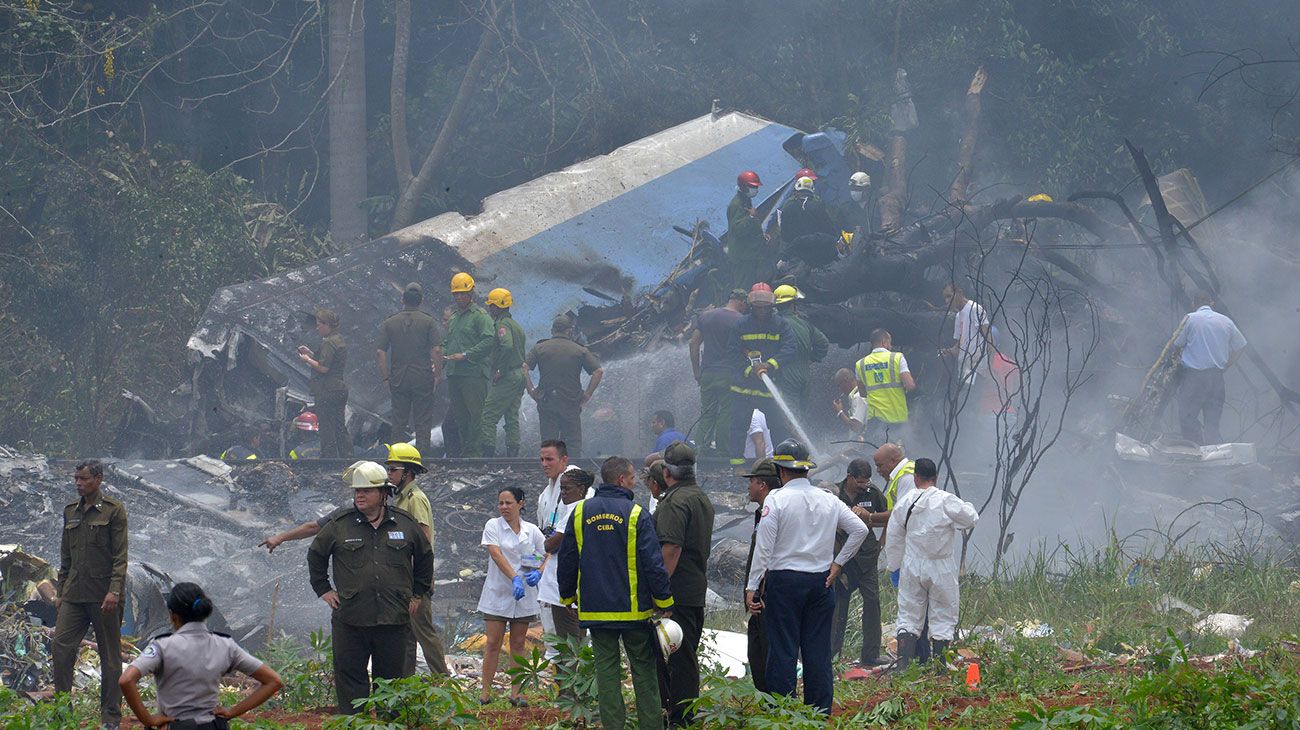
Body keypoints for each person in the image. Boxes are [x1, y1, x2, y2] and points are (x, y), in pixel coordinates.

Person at [746, 440, 868, 714]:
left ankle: (784, 713)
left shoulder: (776, 500)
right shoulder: (828, 499)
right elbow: (859, 530)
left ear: (781, 471)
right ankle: (818, 713)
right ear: (806, 470)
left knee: (783, 651)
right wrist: (837, 565)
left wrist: (752, 587)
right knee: (817, 652)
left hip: (784, 583)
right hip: (821, 583)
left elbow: (764, 548)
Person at [558, 456, 674, 730]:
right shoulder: (635, 514)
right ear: (621, 479)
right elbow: (653, 562)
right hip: (634, 611)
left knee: (606, 674)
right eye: (633, 477)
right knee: (644, 671)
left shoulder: (580, 513)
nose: (635, 482)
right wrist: (664, 601)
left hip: (597, 611)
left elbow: (567, 558)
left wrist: (567, 596)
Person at [307, 461, 433, 714]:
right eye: (357, 491)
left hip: (393, 619)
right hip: (351, 618)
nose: (360, 496)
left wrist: (418, 593)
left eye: (366, 491)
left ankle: (389, 724)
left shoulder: (405, 524)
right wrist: (324, 589)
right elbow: (315, 555)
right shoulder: (339, 524)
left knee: (391, 684)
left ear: (384, 494)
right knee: (351, 680)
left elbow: (425, 557)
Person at [120, 582, 283, 729]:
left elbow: (126, 680)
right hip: (213, 726)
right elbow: (273, 681)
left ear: (173, 615)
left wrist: (148, 720)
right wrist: (232, 712)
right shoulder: (225, 645)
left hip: (177, 726)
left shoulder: (162, 646)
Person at [52, 460, 128, 729]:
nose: (78, 483)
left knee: (110, 657)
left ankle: (110, 717)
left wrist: (114, 591)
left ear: (98, 479)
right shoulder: (70, 511)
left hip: (103, 595)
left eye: (83, 479)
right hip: (74, 593)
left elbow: (120, 557)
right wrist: (60, 591)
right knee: (61, 648)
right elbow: (65, 556)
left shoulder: (113, 510)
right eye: (76, 478)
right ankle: (62, 712)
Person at [884, 458, 979, 670]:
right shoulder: (946, 500)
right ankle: (940, 665)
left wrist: (894, 567)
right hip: (941, 566)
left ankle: (903, 666)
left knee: (908, 614)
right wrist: (967, 506)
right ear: (936, 477)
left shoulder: (905, 501)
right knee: (943, 614)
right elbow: (970, 519)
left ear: (915, 477)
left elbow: (894, 536)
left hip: (912, 565)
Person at [652, 442, 715, 727]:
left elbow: (671, 550)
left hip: (676, 591)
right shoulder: (699, 496)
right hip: (693, 587)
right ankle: (681, 713)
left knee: (679, 657)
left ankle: (681, 718)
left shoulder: (675, 502)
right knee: (684, 654)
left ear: (667, 473)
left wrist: (660, 593)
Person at [477, 486, 546, 706]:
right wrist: (514, 577)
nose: (504, 507)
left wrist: (538, 572)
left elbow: (547, 553)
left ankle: (516, 693)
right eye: (501, 503)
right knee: (493, 643)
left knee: (518, 644)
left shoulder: (532, 530)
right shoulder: (493, 526)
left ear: (521, 503)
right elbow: (496, 554)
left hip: (524, 595)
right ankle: (485, 693)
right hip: (498, 592)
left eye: (509, 503)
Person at [385, 444, 450, 676]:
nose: (389, 474)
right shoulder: (401, 498)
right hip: (404, 576)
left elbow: (423, 539)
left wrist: (416, 582)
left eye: (393, 469)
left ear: (408, 472)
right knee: (407, 633)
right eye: (388, 469)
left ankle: (443, 680)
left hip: (415, 577)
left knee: (423, 630)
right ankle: (407, 682)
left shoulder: (415, 498)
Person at [726, 283, 797, 469]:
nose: (762, 310)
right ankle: (737, 468)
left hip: (769, 387)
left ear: (771, 305)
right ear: (752, 305)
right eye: (758, 306)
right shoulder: (741, 325)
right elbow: (732, 353)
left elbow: (790, 349)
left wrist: (770, 365)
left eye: (765, 307)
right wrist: (750, 370)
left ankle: (782, 466)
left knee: (778, 428)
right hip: (744, 388)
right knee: (738, 427)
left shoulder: (780, 324)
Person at [831, 459, 891, 666]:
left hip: (866, 557)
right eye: (860, 482)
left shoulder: (873, 493)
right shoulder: (834, 493)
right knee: (839, 605)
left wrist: (881, 536)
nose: (864, 485)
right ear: (849, 477)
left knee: (872, 602)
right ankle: (833, 655)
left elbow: (892, 516)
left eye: (867, 481)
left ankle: (871, 654)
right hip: (842, 559)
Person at [534, 440, 589, 661]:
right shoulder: (545, 495)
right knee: (553, 635)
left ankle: (574, 690)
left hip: (572, 571)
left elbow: (557, 537)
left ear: (564, 460)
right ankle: (560, 687)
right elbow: (542, 534)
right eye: (541, 459)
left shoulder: (575, 483)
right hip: (550, 573)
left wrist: (545, 547)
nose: (544, 464)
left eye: (550, 459)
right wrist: (536, 563)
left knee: (573, 640)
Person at [524, 315, 604, 457]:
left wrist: (531, 391)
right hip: (571, 403)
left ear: (552, 330)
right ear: (569, 331)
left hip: (547, 402)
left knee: (549, 443)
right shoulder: (580, 350)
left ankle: (551, 475)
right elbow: (598, 371)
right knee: (572, 443)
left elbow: (524, 368)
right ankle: (571, 474)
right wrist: (587, 394)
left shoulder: (539, 348)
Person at [1173, 291, 1247, 444]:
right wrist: (1227, 366)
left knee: (1187, 417)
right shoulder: (1226, 322)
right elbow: (1240, 346)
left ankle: (1196, 453)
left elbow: (1177, 344)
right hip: (1216, 378)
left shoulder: (1190, 319)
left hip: (1193, 378)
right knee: (1212, 423)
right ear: (1212, 303)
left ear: (1194, 304)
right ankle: (1213, 460)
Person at [377, 282, 442, 454]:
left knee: (398, 422)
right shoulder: (429, 322)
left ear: (402, 299)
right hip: (423, 378)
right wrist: (438, 375)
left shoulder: (390, 322)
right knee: (422, 422)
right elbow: (436, 350)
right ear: (421, 301)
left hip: (398, 379)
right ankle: (422, 459)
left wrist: (385, 377)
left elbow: (380, 352)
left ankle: (397, 458)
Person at [439, 272, 495, 457]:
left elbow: (489, 341)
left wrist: (466, 355)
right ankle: (466, 454)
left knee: (476, 416)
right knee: (460, 418)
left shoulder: (480, 317)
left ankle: (476, 455)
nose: (459, 297)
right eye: (456, 294)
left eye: (463, 293)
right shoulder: (454, 318)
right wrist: (442, 357)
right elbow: (448, 342)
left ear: (471, 292)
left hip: (473, 374)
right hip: (455, 374)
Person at [740, 458, 780, 692]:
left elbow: (766, 556)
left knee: (767, 651)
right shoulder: (761, 513)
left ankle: (775, 706)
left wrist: (756, 590)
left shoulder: (773, 513)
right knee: (756, 651)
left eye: (752, 482)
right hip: (759, 596)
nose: (749, 487)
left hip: (767, 595)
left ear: (762, 485)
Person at [689, 289, 747, 453]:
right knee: (726, 412)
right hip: (729, 374)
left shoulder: (706, 316)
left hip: (707, 373)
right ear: (741, 301)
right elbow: (745, 350)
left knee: (707, 413)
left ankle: (699, 451)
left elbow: (693, 344)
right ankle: (723, 453)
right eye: (745, 304)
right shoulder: (741, 321)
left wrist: (697, 371)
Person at [474, 288, 528, 456]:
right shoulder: (516, 326)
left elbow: (507, 346)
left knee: (488, 415)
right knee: (511, 417)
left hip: (507, 376)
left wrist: (500, 370)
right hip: (519, 375)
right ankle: (512, 455)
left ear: (498, 307)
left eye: (492, 305)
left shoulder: (502, 325)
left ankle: (488, 455)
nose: (490, 309)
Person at [299, 309, 354, 457]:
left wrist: (307, 360)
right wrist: (311, 353)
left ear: (327, 325)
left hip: (327, 390)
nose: (317, 328)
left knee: (327, 428)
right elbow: (328, 360)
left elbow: (323, 367)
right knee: (339, 426)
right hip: (339, 389)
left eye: (319, 325)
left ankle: (329, 459)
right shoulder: (338, 339)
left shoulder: (329, 343)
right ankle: (347, 456)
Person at [773, 285, 829, 420]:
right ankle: (800, 439)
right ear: (793, 305)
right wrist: (811, 359)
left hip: (785, 376)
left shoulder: (775, 324)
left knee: (788, 415)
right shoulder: (805, 324)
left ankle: (792, 440)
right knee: (800, 415)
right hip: (804, 376)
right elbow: (823, 343)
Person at [854, 329, 917, 446]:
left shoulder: (860, 364)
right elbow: (910, 385)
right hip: (897, 417)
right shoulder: (897, 358)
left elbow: (862, 394)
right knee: (898, 454)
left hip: (875, 420)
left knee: (877, 453)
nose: (891, 346)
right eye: (890, 342)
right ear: (884, 342)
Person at [776, 176, 839, 267]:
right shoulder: (817, 204)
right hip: (818, 251)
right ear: (812, 190)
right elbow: (829, 228)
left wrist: (786, 254)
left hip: (796, 253)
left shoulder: (788, 205)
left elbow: (785, 233)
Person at [725, 170, 770, 292]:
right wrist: (751, 217)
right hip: (742, 256)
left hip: (748, 253)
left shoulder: (745, 200)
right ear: (744, 187)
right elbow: (738, 230)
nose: (756, 189)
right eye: (753, 187)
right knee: (742, 288)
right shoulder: (737, 205)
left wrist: (760, 236)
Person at [941, 282, 992, 383]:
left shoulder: (975, 309)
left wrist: (990, 366)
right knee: (963, 396)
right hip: (965, 370)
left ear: (959, 293)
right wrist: (950, 351)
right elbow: (961, 344)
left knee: (972, 396)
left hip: (978, 369)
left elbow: (989, 338)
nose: (947, 301)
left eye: (949, 296)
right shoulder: (958, 316)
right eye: (945, 298)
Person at [831, 368, 870, 438]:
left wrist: (840, 412)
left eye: (839, 385)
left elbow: (856, 427)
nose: (840, 389)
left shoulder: (858, 397)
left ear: (846, 380)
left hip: (861, 445)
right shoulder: (860, 394)